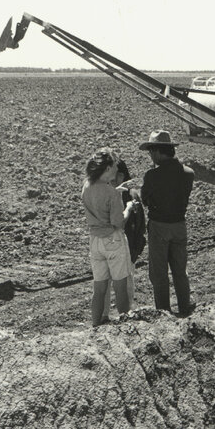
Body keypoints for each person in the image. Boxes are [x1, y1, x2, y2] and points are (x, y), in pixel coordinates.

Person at [139, 130, 195, 314]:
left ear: (156, 151)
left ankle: (163, 312)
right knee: (180, 270)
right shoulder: (188, 173)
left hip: (159, 227)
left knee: (159, 273)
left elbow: (145, 200)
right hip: (180, 226)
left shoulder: (152, 176)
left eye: (150, 152)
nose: (150, 156)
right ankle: (185, 306)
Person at [82, 148, 136, 326]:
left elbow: (100, 200)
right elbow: (119, 223)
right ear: (107, 168)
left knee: (99, 289)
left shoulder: (87, 186)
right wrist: (128, 207)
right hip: (113, 240)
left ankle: (95, 325)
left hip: (95, 240)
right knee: (120, 287)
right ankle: (126, 324)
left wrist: (116, 191)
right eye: (114, 166)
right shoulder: (111, 193)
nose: (116, 169)